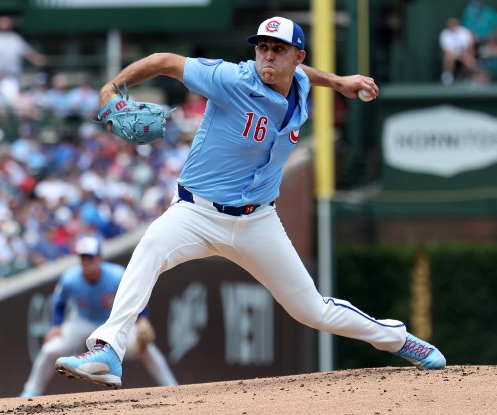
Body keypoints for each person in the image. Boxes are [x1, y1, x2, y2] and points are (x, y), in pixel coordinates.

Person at [54, 17, 446, 389]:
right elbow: (164, 62)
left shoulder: (300, 83)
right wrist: (113, 86)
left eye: (278, 48)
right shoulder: (230, 79)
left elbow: (304, 77)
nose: (268, 56)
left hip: (257, 222)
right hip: (195, 213)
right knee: (149, 251)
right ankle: (108, 351)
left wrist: (339, 81)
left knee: (310, 310)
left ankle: (398, 339)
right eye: (262, 47)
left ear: (297, 57)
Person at [21, 236, 177, 396]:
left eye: (90, 257)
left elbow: (136, 294)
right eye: (83, 257)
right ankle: (30, 391)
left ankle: (172, 387)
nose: (86, 261)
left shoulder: (116, 275)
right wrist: (57, 325)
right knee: (49, 350)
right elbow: (59, 301)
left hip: (112, 322)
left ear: (100, 258)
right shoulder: (70, 278)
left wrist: (143, 318)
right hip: (82, 320)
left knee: (147, 348)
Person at [0, 15, 46, 81]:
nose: (4, 24)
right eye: (2, 21)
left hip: (11, 76)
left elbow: (27, 52)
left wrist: (37, 59)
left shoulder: (15, 38)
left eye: (6, 22)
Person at [439, 17, 476, 85]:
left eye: (454, 24)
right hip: (452, 55)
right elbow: (446, 50)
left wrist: (468, 56)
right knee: (448, 58)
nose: (453, 26)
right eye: (451, 24)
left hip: (464, 54)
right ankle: (447, 78)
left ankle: (462, 78)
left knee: (470, 62)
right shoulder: (444, 33)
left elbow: (470, 47)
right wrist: (457, 56)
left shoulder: (465, 32)